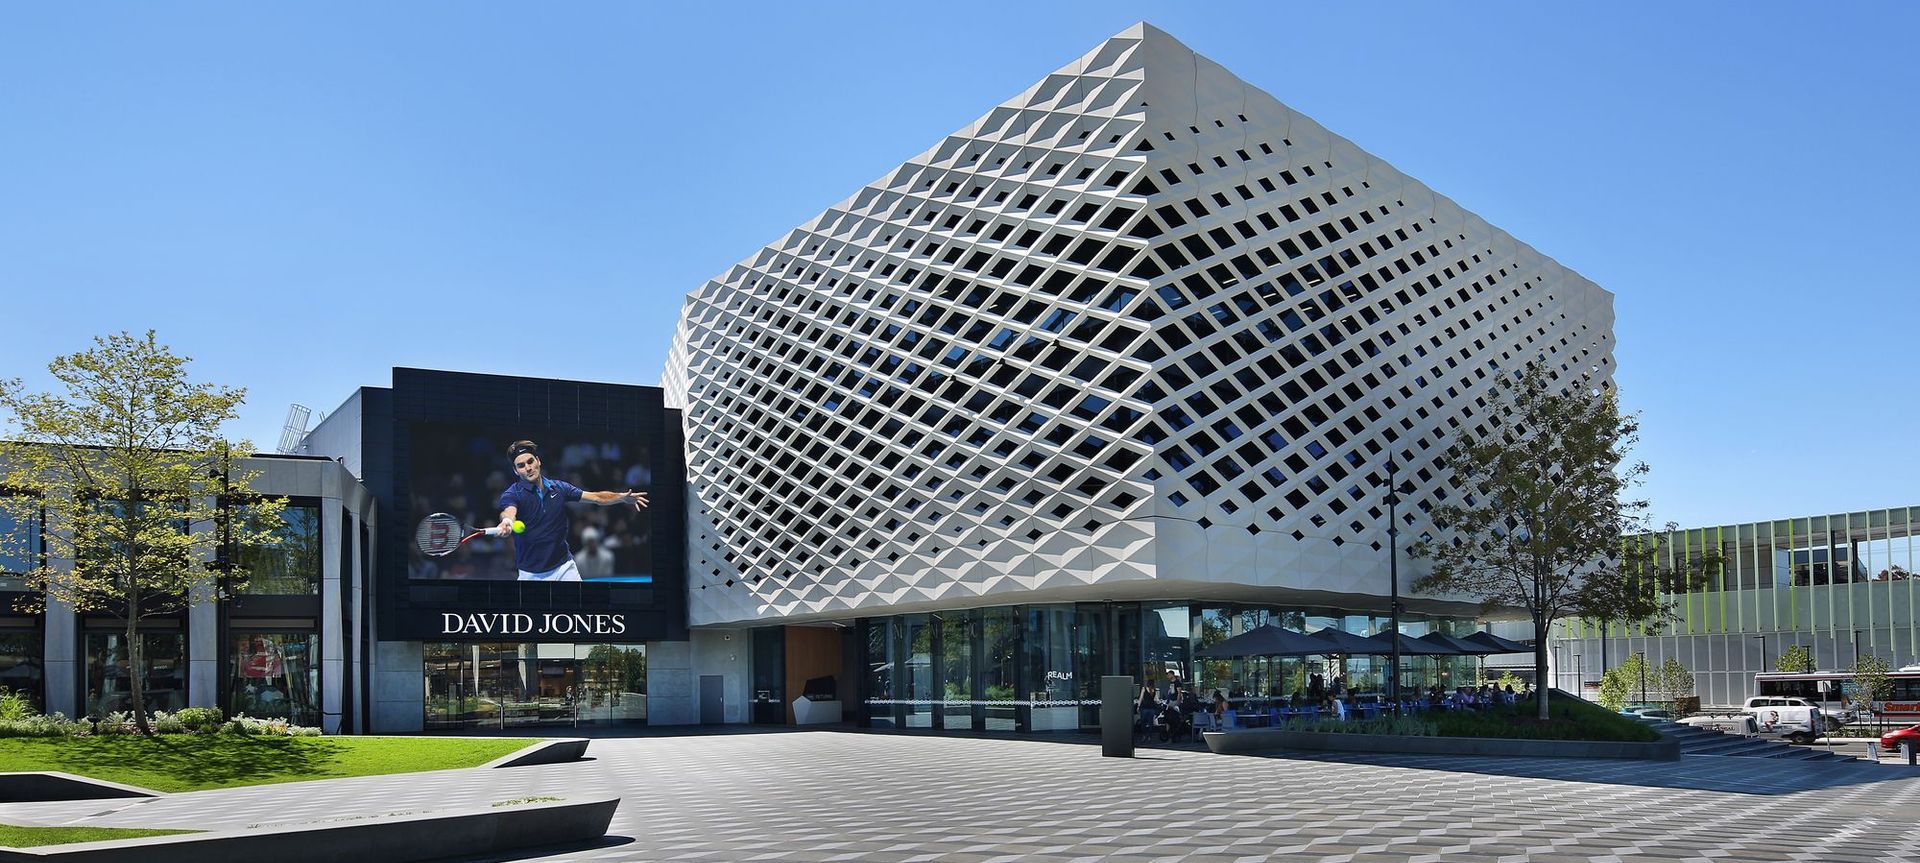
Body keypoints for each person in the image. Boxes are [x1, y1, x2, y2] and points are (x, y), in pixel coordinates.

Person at [495, 440, 649, 581]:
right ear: (516, 471)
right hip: (530, 574)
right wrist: (507, 521)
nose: (527, 468)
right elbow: (508, 511)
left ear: (538, 461)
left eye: (530, 461)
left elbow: (596, 497)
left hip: (564, 568)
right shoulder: (513, 494)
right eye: (521, 465)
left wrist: (621, 497)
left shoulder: (560, 488)